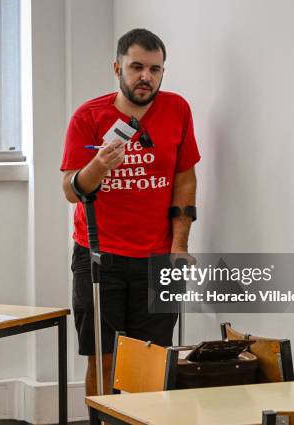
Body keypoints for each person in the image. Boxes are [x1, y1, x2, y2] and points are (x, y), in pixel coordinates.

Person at [60, 28, 201, 396]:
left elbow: (184, 180)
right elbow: (71, 191)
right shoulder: (88, 116)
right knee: (104, 360)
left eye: (155, 69)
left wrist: (179, 244)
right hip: (99, 256)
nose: (146, 77)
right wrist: (99, 165)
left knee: (151, 360)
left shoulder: (177, 109)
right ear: (117, 68)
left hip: (158, 258)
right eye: (136, 67)